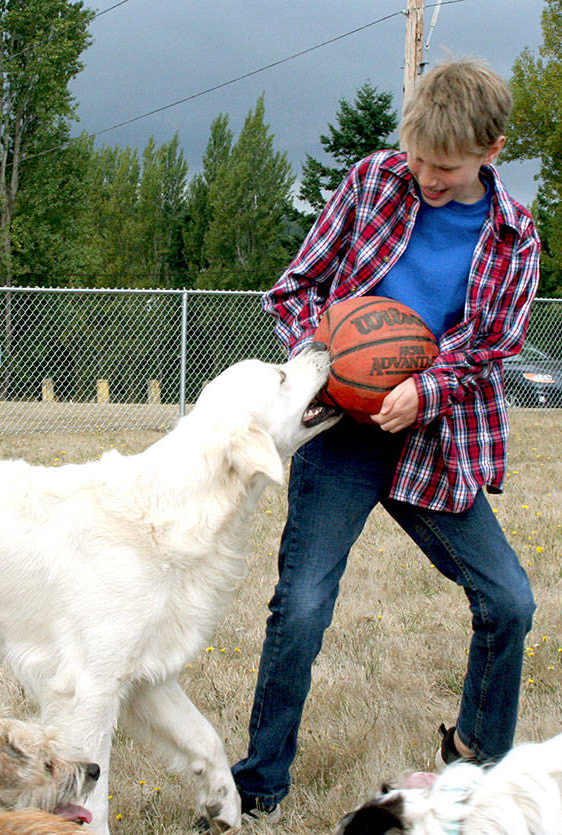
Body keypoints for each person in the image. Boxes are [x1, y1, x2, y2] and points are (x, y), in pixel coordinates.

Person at [229, 57, 541, 822]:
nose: (428, 177)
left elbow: (493, 349)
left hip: (435, 438)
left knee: (509, 601)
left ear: (491, 151)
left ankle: (476, 772)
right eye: (419, 159)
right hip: (341, 434)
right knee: (300, 607)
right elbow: (295, 288)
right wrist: (332, 366)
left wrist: (423, 389)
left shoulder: (516, 237)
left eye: (446, 166)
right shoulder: (373, 181)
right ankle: (260, 782)